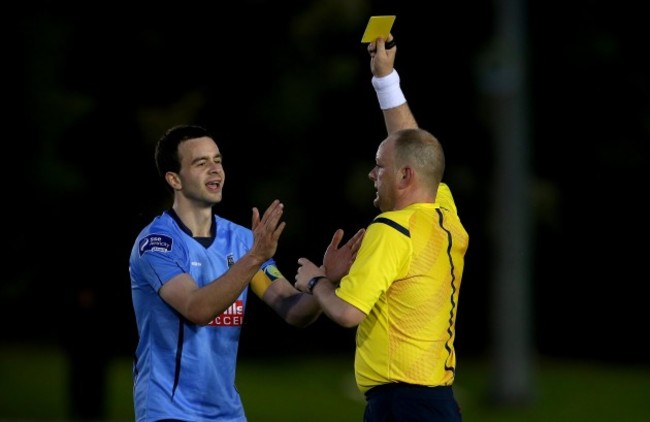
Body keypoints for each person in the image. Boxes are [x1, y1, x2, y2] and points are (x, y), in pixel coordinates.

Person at [128, 124, 363, 421]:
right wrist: (254, 258)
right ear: (174, 179)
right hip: (168, 410)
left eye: (218, 160)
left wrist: (325, 280)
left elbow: (292, 309)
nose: (215, 170)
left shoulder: (241, 241)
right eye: (201, 163)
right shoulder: (158, 243)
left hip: (228, 413)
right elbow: (197, 308)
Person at [294, 35, 469, 421]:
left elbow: (346, 313)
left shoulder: (392, 228)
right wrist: (385, 79)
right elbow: (414, 146)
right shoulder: (443, 213)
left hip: (401, 404)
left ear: (405, 176)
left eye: (380, 166)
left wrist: (316, 281)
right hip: (436, 399)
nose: (373, 173)